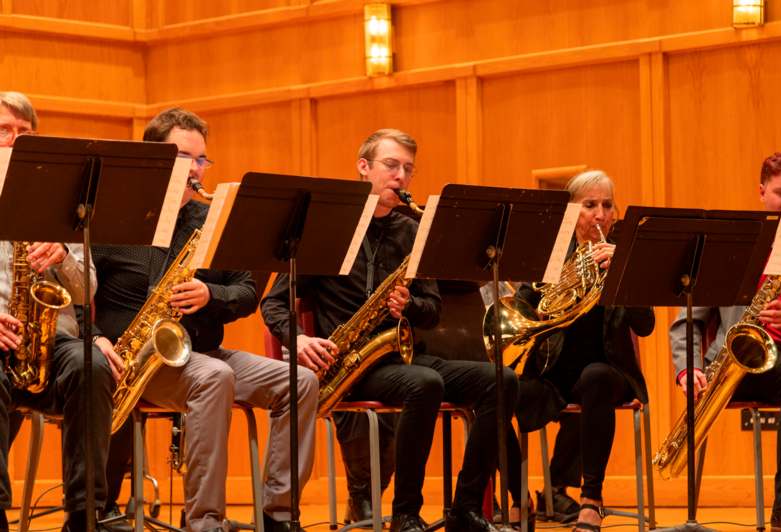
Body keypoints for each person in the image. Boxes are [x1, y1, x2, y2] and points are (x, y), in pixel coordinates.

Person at [262, 128, 518, 532]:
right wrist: (300, 339)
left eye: (408, 169)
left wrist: (410, 306)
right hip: (349, 365)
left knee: (500, 380)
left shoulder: (412, 232)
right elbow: (272, 302)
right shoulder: (326, 228)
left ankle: (465, 509)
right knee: (425, 383)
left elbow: (432, 310)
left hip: (401, 356)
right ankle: (405, 512)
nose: (400, 176)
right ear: (364, 168)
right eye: (391, 165)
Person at [92, 108, 318, 532]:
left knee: (300, 381)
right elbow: (77, 291)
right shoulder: (114, 219)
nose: (195, 170)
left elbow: (248, 294)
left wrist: (211, 294)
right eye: (184, 157)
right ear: (154, 160)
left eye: (201, 160)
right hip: (135, 361)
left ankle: (279, 513)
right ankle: (205, 521)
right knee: (213, 377)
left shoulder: (211, 222)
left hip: (202, 351)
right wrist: (96, 339)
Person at [513, 170, 654, 532]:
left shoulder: (624, 255)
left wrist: (624, 271)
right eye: (589, 204)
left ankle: (591, 498)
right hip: (552, 371)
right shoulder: (551, 255)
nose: (600, 213)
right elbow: (522, 311)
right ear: (571, 211)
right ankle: (517, 497)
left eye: (607, 204)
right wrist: (540, 303)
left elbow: (646, 325)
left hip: (611, 371)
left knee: (595, 377)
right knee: (494, 386)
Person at [0, 91, 114, 531]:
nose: (15, 141)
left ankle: (85, 514)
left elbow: (86, 291)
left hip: (50, 341)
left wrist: (65, 254)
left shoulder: (59, 204)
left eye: (25, 133)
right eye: (4, 131)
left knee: (92, 365)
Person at [669, 150, 781, 531]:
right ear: (761, 193)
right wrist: (687, 369)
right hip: (736, 362)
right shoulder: (731, 248)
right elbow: (686, 322)